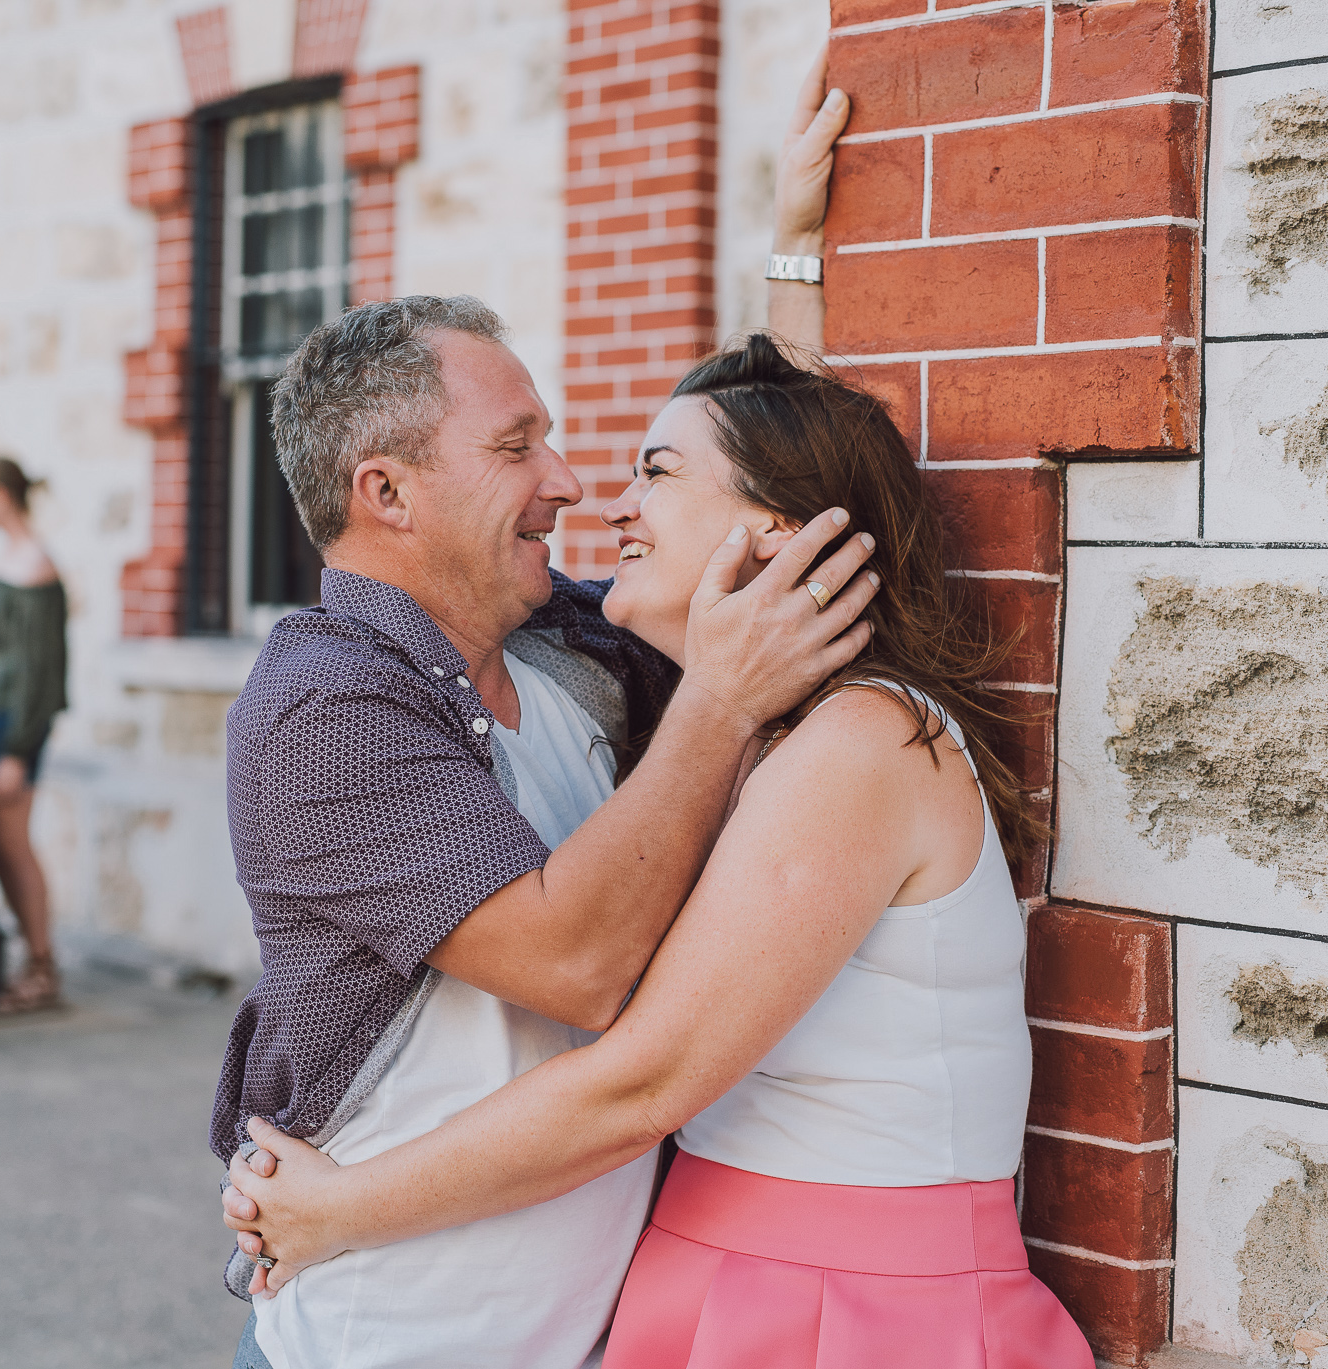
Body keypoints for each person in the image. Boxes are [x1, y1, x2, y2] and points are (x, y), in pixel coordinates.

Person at [217, 57, 1094, 1369]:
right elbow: (581, 961)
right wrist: (727, 689)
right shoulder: (326, 710)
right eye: (521, 449)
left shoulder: (588, 653)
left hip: (649, 1314)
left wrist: (793, 254)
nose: (579, 489)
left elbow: (785, 472)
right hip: (397, 1340)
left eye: (630, 464)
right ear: (386, 493)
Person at [0, 455, 69, 1013]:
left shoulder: (33, 564)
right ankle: (30, 957)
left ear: (2, 494)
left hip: (12, 728)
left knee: (12, 844)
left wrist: (16, 751)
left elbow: (39, 672)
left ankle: (41, 968)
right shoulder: (14, 557)